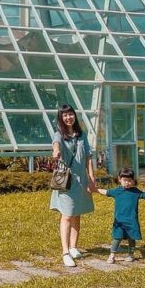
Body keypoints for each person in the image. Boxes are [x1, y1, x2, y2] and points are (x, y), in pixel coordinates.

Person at [50, 104, 97, 268]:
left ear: (74, 116)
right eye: (64, 115)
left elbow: (89, 157)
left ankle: (74, 246)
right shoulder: (59, 135)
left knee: (77, 213)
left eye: (70, 114)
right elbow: (55, 144)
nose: (68, 117)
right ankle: (65, 252)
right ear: (61, 118)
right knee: (67, 215)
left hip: (82, 180)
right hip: (66, 180)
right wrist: (56, 152)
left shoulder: (82, 135)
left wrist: (91, 177)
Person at [95, 167, 145, 263]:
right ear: (119, 179)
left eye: (130, 180)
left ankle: (131, 254)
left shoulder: (135, 191)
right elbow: (106, 192)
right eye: (125, 180)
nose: (127, 182)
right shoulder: (117, 191)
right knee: (117, 238)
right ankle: (112, 255)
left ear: (133, 181)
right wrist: (95, 189)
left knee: (131, 238)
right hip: (119, 221)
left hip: (132, 221)